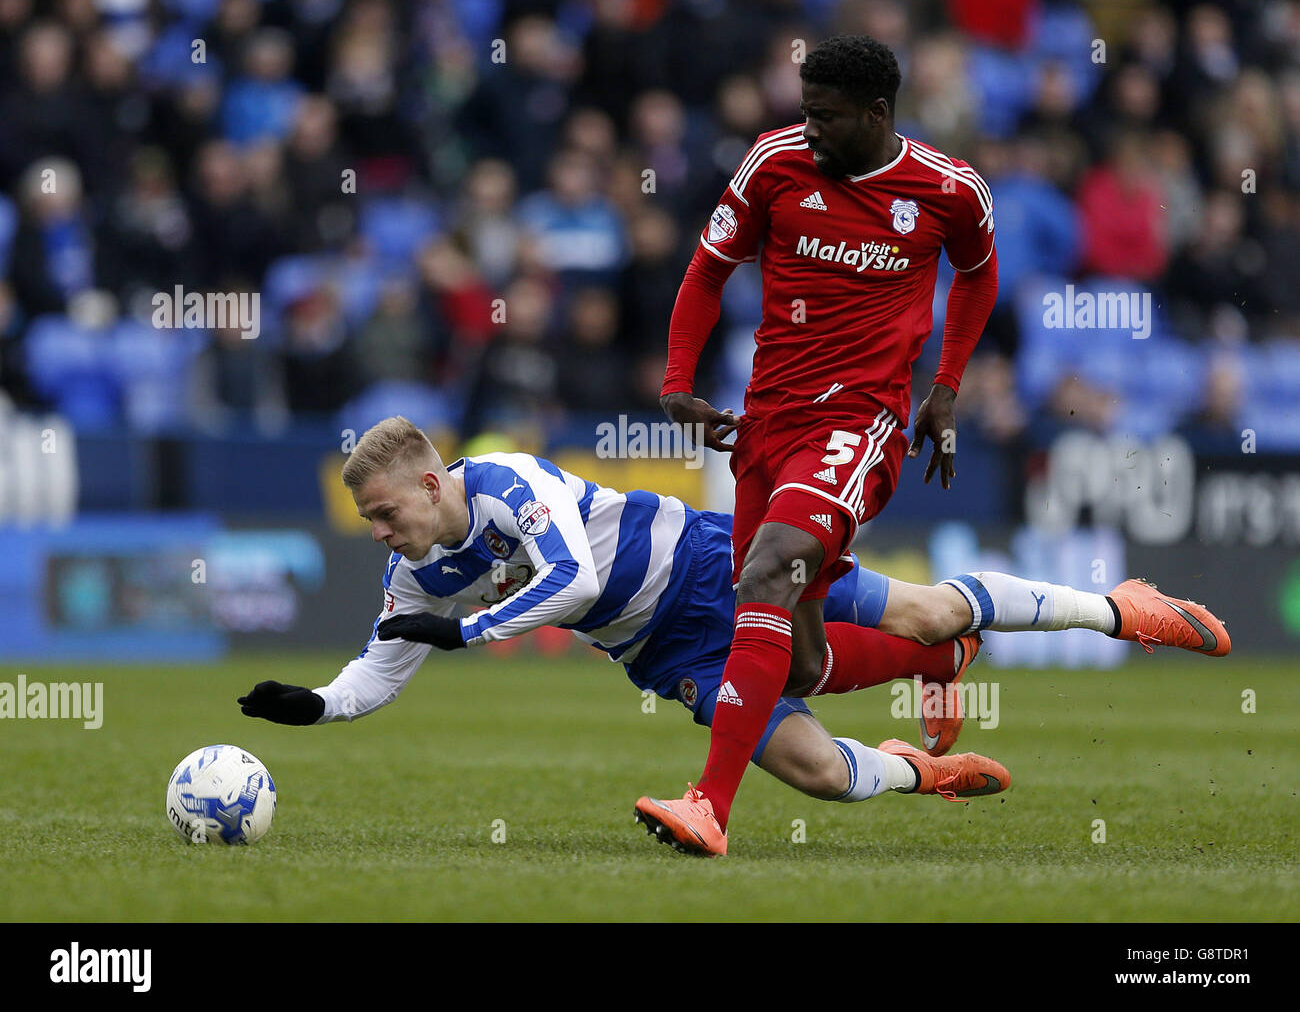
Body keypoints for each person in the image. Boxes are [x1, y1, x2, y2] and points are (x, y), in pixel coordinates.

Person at [640, 34, 1221, 855]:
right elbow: (706, 271)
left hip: (860, 425)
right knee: (795, 663)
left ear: (877, 113)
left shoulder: (947, 190)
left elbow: (980, 275)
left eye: (826, 117)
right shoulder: (772, 164)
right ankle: (938, 653)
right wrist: (674, 384)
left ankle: (710, 804)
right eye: (804, 112)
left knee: (770, 566)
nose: (808, 131)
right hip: (766, 426)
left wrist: (944, 387)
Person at [237, 418, 1230, 848]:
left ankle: (1120, 608)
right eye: (367, 522)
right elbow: (380, 668)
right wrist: (318, 705)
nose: (377, 533)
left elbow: (573, 576)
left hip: (718, 561)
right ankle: (922, 768)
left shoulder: (508, 481)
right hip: (663, 651)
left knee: (925, 607)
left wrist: (472, 631)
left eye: (382, 512)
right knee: (821, 777)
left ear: (427, 479)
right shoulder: (409, 570)